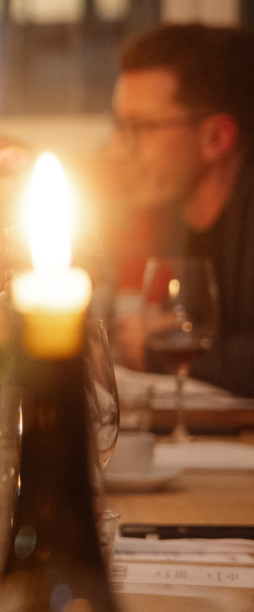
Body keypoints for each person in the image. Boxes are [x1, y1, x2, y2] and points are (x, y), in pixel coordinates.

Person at [108, 24, 254, 396]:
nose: (119, 150)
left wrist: (157, 349)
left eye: (140, 128)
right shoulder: (174, 211)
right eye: (120, 126)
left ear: (216, 138)